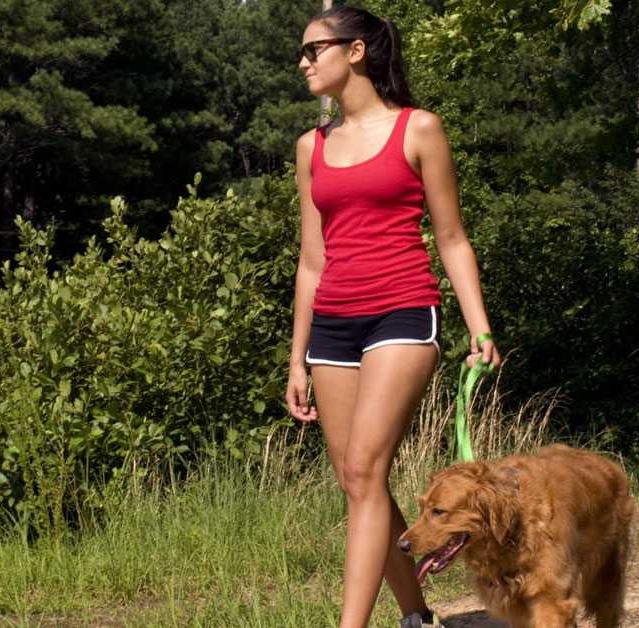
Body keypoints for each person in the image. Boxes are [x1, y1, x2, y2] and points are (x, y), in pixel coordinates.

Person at [285, 7, 501, 628]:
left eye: (313, 50)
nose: (303, 63)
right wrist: (296, 358)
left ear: (355, 51)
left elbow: (452, 238)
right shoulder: (311, 146)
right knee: (358, 483)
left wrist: (479, 325)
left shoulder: (418, 129)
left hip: (402, 312)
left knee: (363, 469)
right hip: (332, 323)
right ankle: (416, 615)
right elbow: (310, 261)